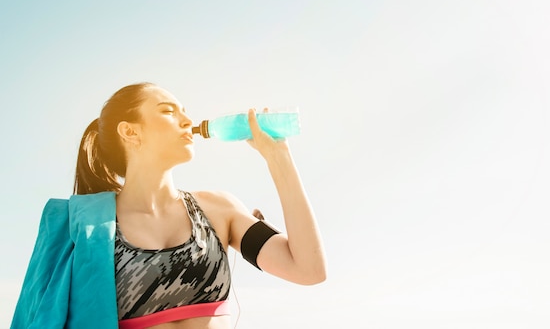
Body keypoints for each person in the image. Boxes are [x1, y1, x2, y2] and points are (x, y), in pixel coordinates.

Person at [11, 82, 327, 329]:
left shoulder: (219, 210)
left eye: (184, 110)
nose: (187, 120)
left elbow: (308, 269)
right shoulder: (82, 227)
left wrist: (278, 157)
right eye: (168, 111)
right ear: (130, 131)